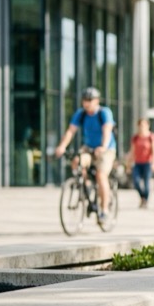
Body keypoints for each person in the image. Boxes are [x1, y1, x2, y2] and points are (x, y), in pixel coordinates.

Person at [54, 87, 117, 221]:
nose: (86, 103)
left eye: (89, 100)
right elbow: (70, 131)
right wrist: (62, 146)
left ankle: (104, 210)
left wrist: (103, 146)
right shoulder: (81, 114)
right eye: (84, 100)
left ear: (96, 101)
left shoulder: (104, 112)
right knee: (77, 161)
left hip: (106, 149)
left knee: (101, 175)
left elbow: (107, 130)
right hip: (88, 148)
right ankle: (86, 186)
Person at [127, 118, 154, 208]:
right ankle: (142, 197)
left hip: (147, 163)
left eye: (144, 125)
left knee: (146, 183)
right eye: (140, 125)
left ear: (148, 126)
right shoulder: (135, 138)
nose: (142, 127)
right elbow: (132, 151)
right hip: (137, 163)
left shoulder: (151, 137)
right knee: (136, 182)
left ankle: (145, 200)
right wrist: (128, 164)